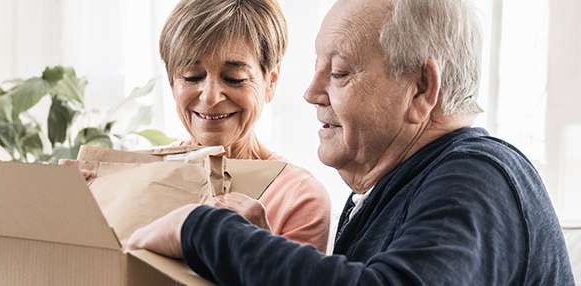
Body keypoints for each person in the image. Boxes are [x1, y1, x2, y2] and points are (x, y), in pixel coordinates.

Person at [126, 0, 575, 284]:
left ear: (420, 88)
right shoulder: (396, 190)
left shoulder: (477, 175)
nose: (311, 91)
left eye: (339, 72)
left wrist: (203, 230)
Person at [152, 0, 332, 249]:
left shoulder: (297, 197)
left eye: (234, 79)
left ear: (271, 81)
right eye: (192, 76)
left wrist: (260, 250)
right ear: (172, 83)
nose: (211, 97)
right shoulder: (146, 176)